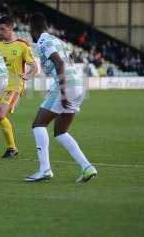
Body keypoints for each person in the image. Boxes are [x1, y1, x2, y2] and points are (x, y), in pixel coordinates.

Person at [25, 12, 97, 183]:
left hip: (65, 86)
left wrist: (64, 92)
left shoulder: (43, 41)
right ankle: (87, 167)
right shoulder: (59, 41)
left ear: (32, 29)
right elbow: (69, 61)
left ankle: (45, 170)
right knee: (60, 132)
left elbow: (60, 63)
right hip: (79, 85)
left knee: (38, 124)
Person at [0, 16, 38, 159]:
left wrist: (28, 75)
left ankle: (12, 148)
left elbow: (34, 67)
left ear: (11, 28)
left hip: (14, 85)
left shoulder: (22, 45)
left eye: (2, 29)